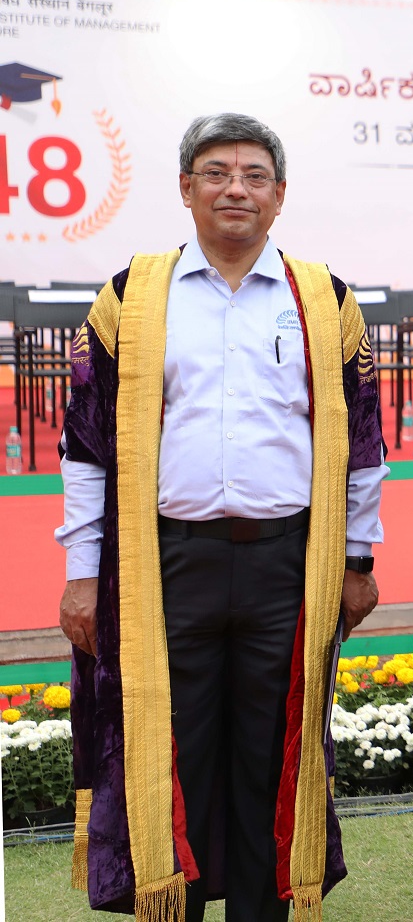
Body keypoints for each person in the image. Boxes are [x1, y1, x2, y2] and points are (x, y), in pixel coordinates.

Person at [55, 113, 386, 922]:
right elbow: (85, 447)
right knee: (178, 753)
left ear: (279, 197)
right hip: (170, 564)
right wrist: (79, 575)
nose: (235, 188)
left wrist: (358, 561)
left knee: (274, 756)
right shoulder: (134, 297)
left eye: (253, 175)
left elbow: (366, 442)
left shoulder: (325, 299)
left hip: (286, 566)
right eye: (215, 172)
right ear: (184, 188)